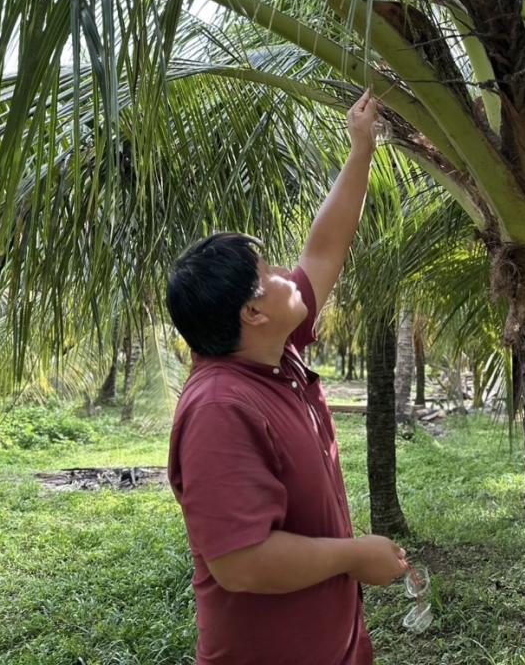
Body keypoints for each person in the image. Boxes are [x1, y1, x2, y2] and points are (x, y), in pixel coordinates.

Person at [166, 89, 406, 665]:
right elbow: (240, 563)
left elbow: (325, 250)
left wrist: (360, 150)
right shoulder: (221, 407)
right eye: (268, 270)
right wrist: (354, 555)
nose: (285, 270)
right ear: (252, 312)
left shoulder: (277, 353)